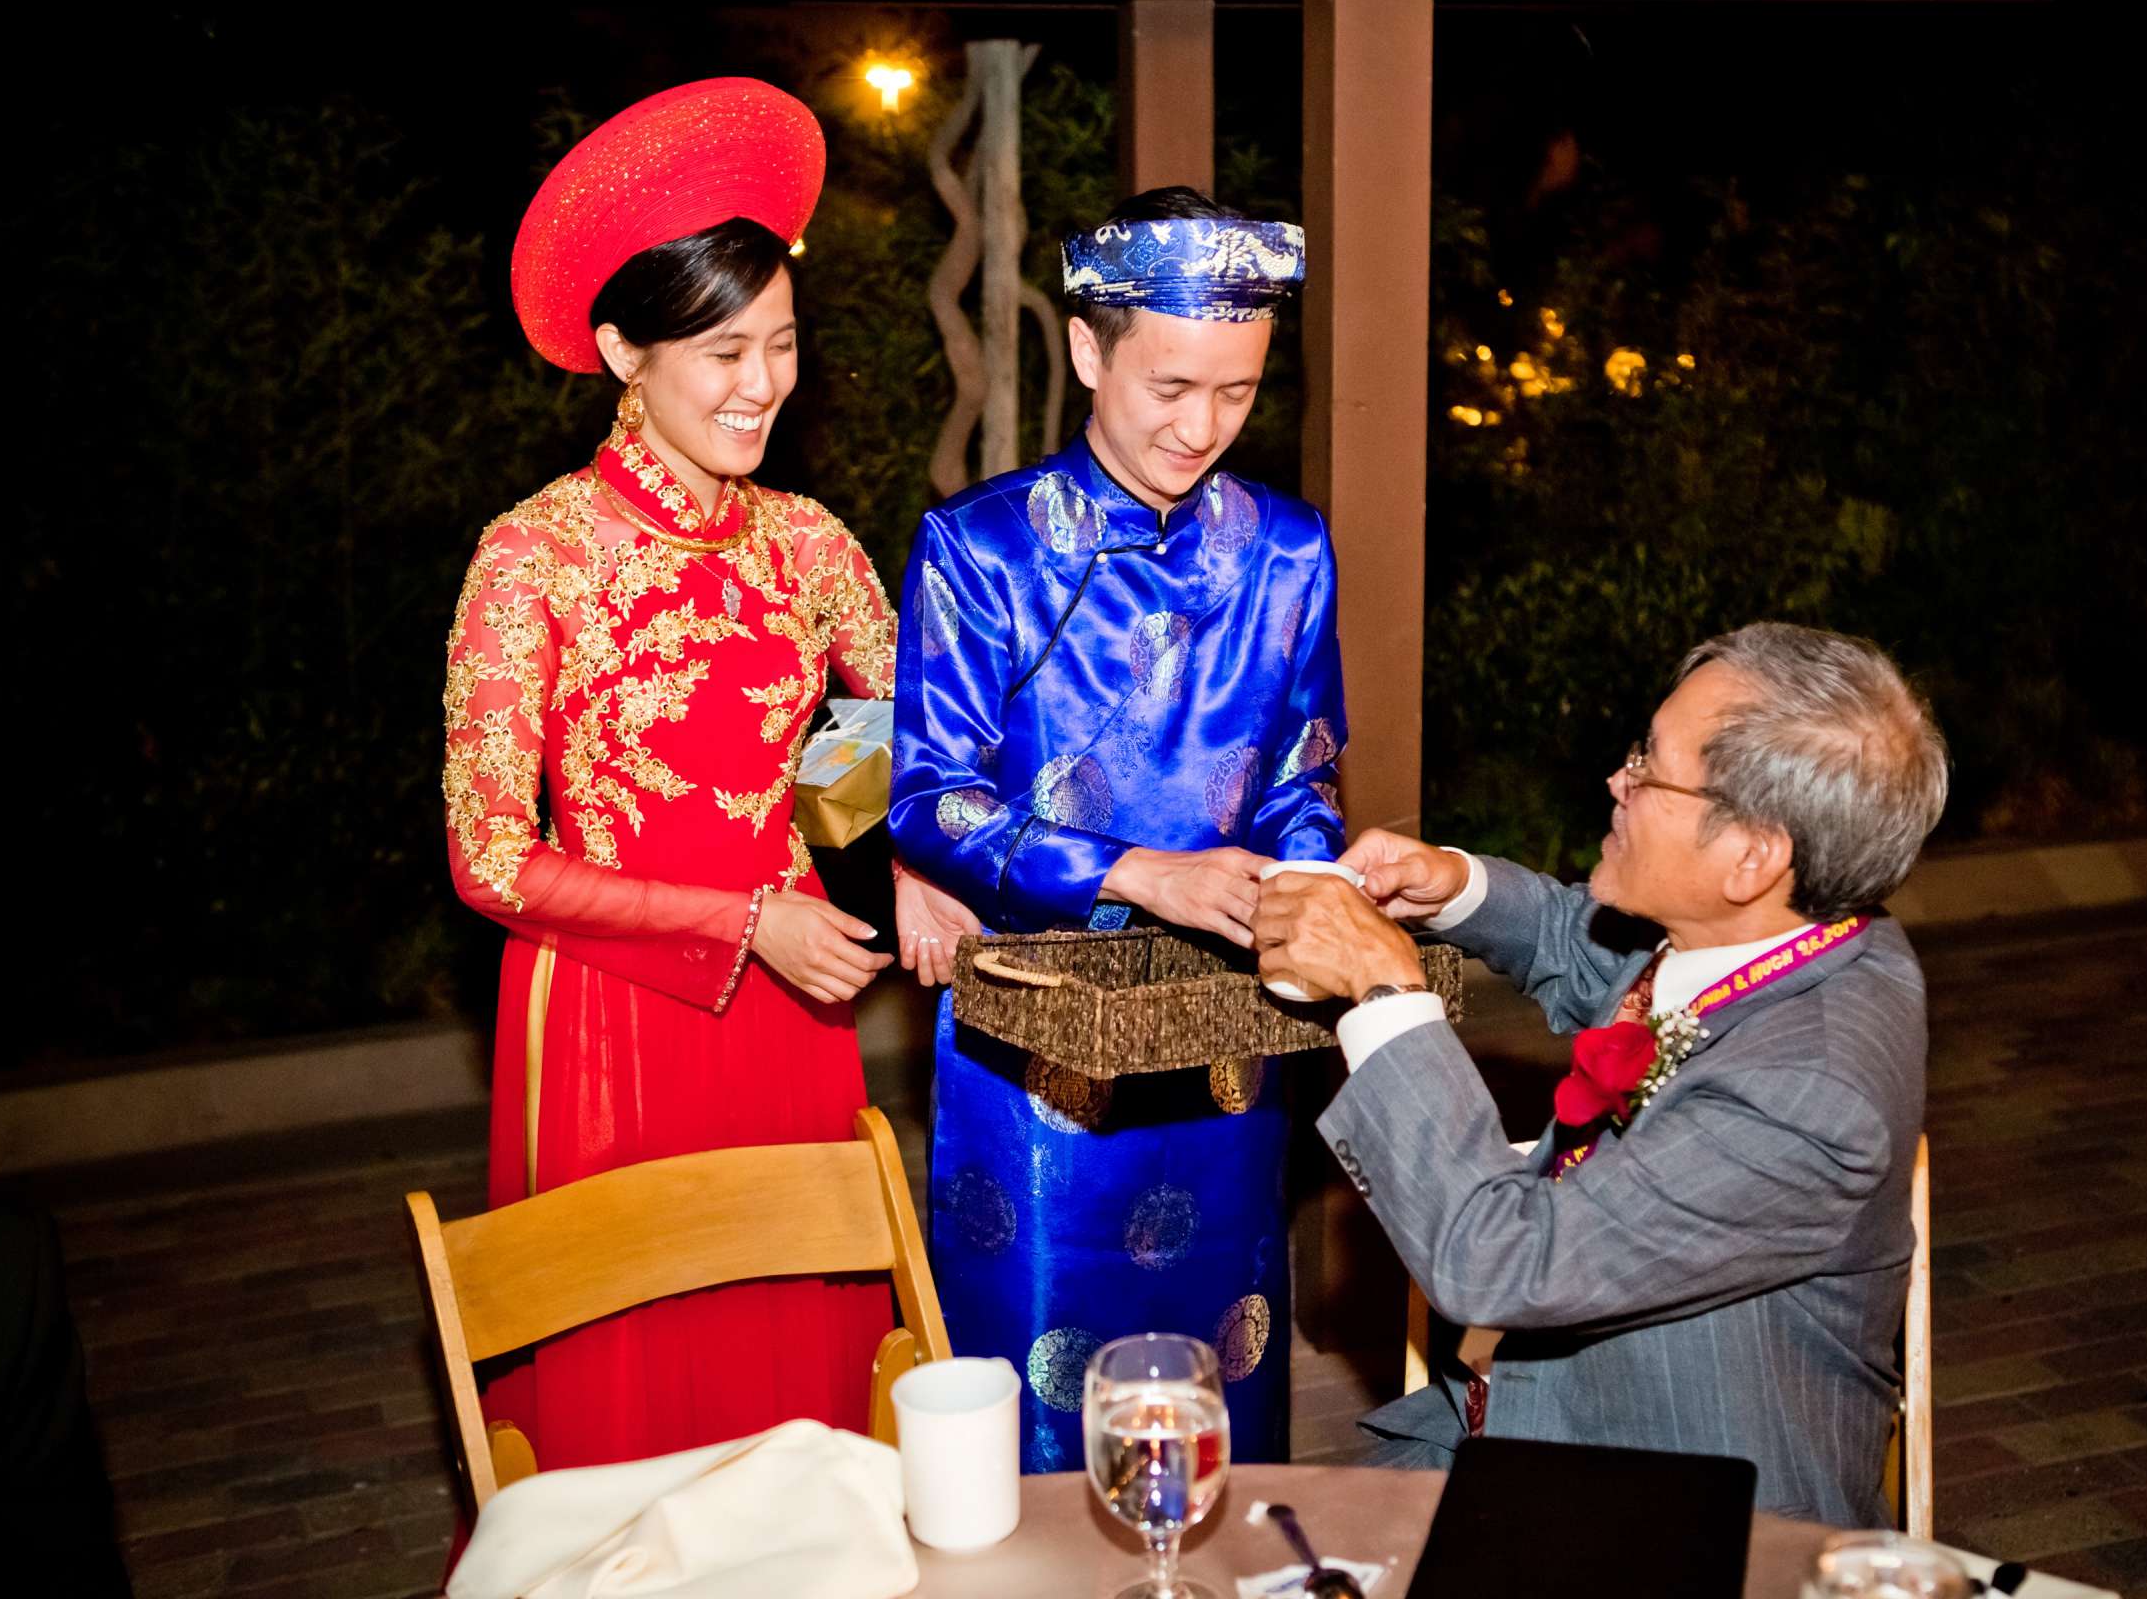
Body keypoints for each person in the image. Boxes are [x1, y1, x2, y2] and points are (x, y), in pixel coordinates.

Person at [444, 77, 926, 1470]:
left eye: (779, 344)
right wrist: (741, 920)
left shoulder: (811, 545)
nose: (762, 385)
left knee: (806, 1368)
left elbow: (918, 752)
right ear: (622, 351)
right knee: (640, 1377)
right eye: (720, 353)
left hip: (797, 999)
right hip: (610, 1019)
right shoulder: (533, 557)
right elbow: (489, 857)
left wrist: (899, 856)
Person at [1251, 623, 1948, 1526]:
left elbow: (1496, 1261)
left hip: (1674, 1512)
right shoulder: (1800, 933)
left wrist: (1384, 988)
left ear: (1753, 856)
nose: (1616, 783)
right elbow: (1592, 956)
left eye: (1649, 769)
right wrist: (1450, 885)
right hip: (1522, 1427)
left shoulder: (1810, 1095)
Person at [888, 188, 1346, 1470]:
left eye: (1239, 394)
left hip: (1223, 1042)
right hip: (1033, 1057)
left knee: (1223, 1378)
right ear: (1089, 353)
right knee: (1036, 1396)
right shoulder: (978, 549)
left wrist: (1317, 896)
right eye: (1171, 386)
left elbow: (1303, 784)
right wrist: (1140, 872)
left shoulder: (1292, 551)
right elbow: (931, 797)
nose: (1201, 427)